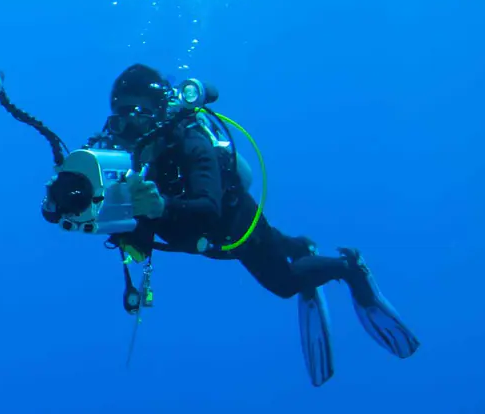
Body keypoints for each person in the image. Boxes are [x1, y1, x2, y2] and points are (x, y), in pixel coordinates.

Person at [93, 63, 418, 384]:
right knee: (276, 242)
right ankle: (301, 246)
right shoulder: (127, 165)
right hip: (202, 238)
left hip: (233, 224)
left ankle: (350, 266)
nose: (130, 130)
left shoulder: (192, 144)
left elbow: (208, 209)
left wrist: (160, 206)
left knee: (285, 283)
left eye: (138, 115)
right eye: (121, 120)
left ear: (161, 113)